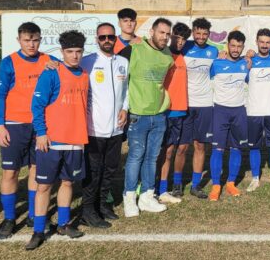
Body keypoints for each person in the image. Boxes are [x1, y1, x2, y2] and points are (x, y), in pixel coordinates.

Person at [28, 30, 89, 249]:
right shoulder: (51, 72)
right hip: (51, 141)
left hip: (75, 140)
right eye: (70, 51)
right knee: (44, 186)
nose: (74, 55)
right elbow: (37, 106)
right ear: (62, 52)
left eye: (78, 51)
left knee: (67, 182)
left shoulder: (84, 74)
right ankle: (38, 229)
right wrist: (41, 133)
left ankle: (63, 224)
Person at [0, 22, 52, 240]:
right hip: (14, 125)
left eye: (35, 39)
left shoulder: (49, 62)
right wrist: (0, 125)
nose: (31, 44)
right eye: (27, 40)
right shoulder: (8, 62)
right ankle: (9, 218)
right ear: (19, 40)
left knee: (36, 169)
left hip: (39, 126)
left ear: (40, 39)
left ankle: (33, 213)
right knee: (11, 172)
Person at [119, 18, 173, 216]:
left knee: (152, 158)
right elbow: (111, 63)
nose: (165, 37)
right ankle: (129, 198)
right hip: (138, 114)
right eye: (161, 32)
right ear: (152, 31)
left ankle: (147, 197)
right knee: (135, 157)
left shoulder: (168, 55)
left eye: (168, 34)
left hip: (159, 115)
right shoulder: (135, 48)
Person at [79, 22, 129, 228]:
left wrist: (125, 108)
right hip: (94, 129)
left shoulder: (123, 62)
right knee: (93, 171)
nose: (107, 40)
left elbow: (126, 91)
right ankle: (88, 210)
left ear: (115, 37)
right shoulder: (87, 62)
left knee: (110, 169)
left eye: (110, 37)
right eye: (102, 37)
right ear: (96, 39)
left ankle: (103, 206)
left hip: (116, 128)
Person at [208, 31, 251, 201]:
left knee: (236, 147)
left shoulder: (246, 64)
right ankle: (216, 185)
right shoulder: (216, 64)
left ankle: (231, 183)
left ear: (243, 47)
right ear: (227, 45)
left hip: (239, 111)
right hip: (220, 110)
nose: (236, 49)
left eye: (239, 46)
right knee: (217, 148)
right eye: (233, 45)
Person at [246, 29, 270, 192]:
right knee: (254, 146)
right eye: (261, 42)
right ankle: (255, 178)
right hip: (254, 111)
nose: (264, 45)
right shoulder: (249, 61)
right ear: (256, 41)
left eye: (268, 42)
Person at [158, 22, 191, 203]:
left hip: (182, 110)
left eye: (184, 39)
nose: (180, 42)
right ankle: (158, 187)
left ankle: (174, 186)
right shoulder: (163, 55)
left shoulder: (185, 55)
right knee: (165, 151)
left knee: (179, 149)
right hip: (166, 110)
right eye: (177, 38)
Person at [183, 17, 215, 199]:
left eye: (205, 34)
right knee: (180, 147)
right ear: (193, 32)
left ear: (208, 34)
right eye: (198, 33)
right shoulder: (184, 47)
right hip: (185, 104)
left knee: (200, 145)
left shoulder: (214, 51)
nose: (201, 36)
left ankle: (195, 185)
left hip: (204, 104)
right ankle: (176, 184)